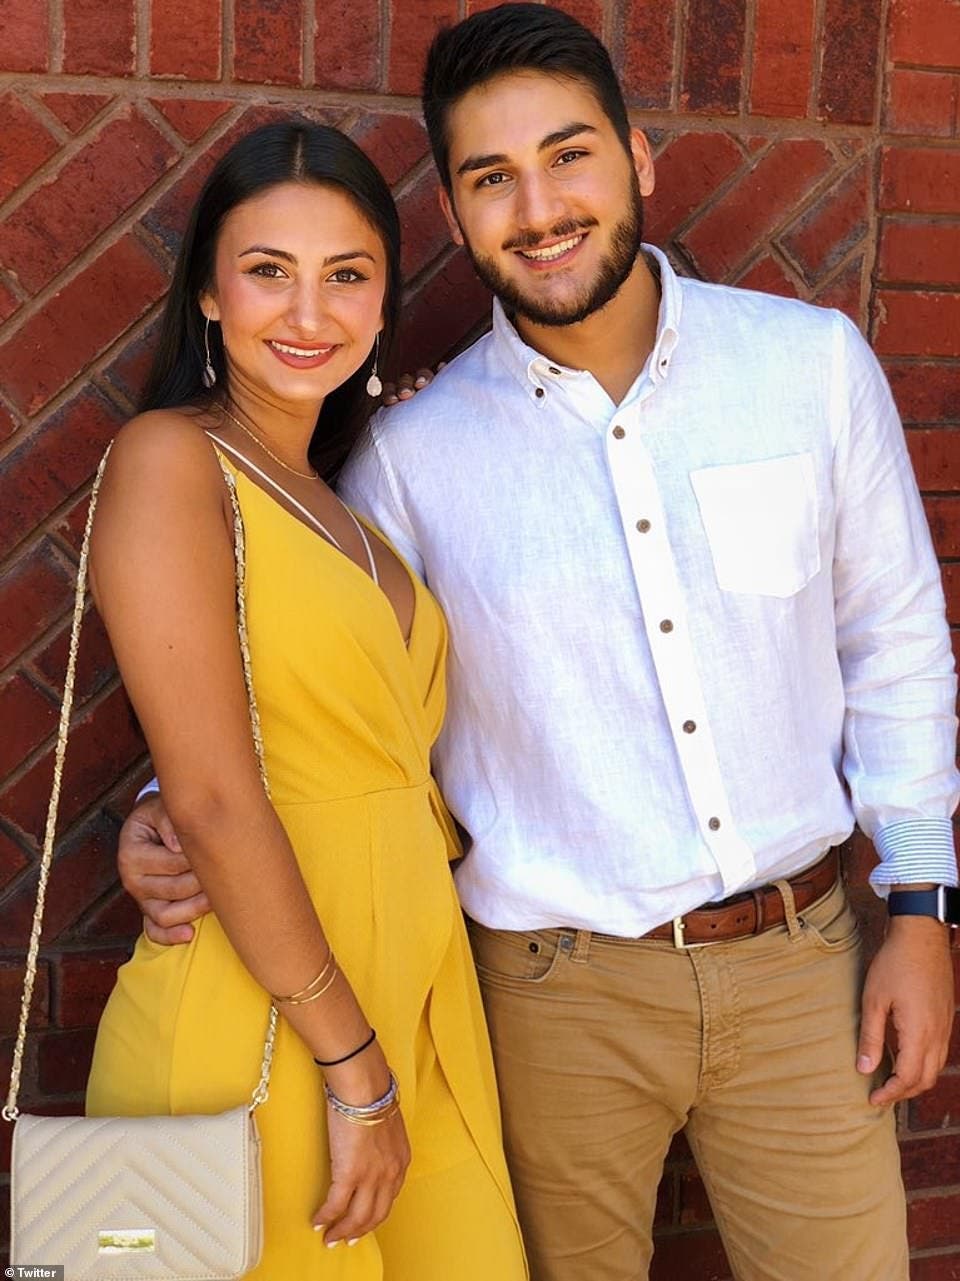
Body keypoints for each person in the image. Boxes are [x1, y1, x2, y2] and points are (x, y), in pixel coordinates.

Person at [118, 8, 960, 1280]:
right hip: (542, 992)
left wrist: (920, 903)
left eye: (568, 156)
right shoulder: (410, 454)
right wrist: (168, 808)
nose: (540, 206)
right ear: (455, 219)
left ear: (638, 155)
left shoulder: (809, 368)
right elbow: (306, 686)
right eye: (490, 178)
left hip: (799, 971)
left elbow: (893, 645)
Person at [83, 119, 526, 1280]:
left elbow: (305, 713)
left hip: (411, 995)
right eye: (267, 271)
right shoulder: (170, 459)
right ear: (210, 295)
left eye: (347, 276)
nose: (308, 312)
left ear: (383, 305)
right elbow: (219, 798)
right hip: (265, 1019)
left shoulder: (346, 500)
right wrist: (353, 1068)